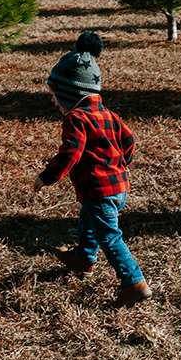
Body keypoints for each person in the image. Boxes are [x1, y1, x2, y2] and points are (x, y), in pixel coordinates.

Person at [32, 32, 152, 307]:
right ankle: (84, 258)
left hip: (99, 189)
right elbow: (129, 140)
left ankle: (134, 282)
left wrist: (46, 177)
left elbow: (70, 153)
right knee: (89, 217)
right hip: (118, 187)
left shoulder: (76, 118)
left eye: (54, 95)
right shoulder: (108, 114)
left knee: (109, 237)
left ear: (69, 93)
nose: (53, 101)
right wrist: (120, 166)